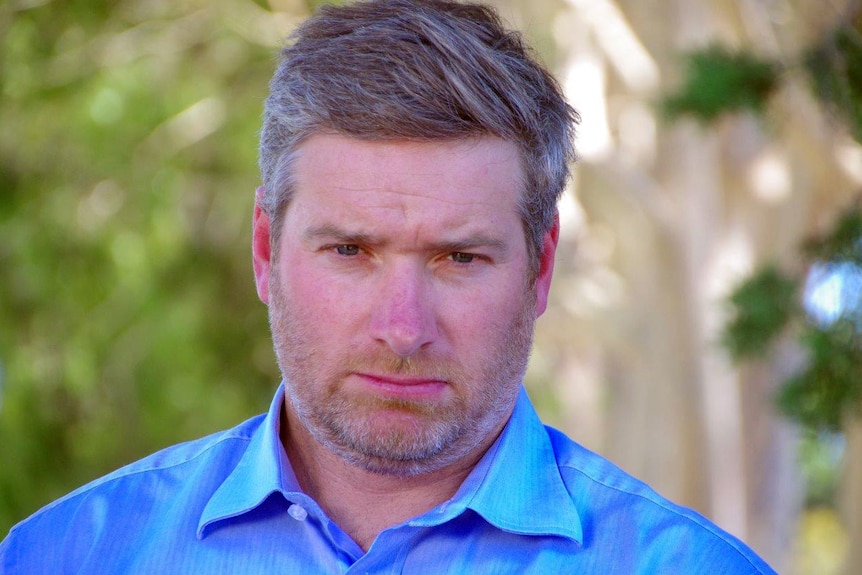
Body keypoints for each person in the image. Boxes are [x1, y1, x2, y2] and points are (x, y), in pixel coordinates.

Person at [1, 0, 778, 573]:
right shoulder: (66, 554)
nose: (403, 329)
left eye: (460, 259)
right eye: (349, 249)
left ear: (541, 268)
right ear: (265, 251)